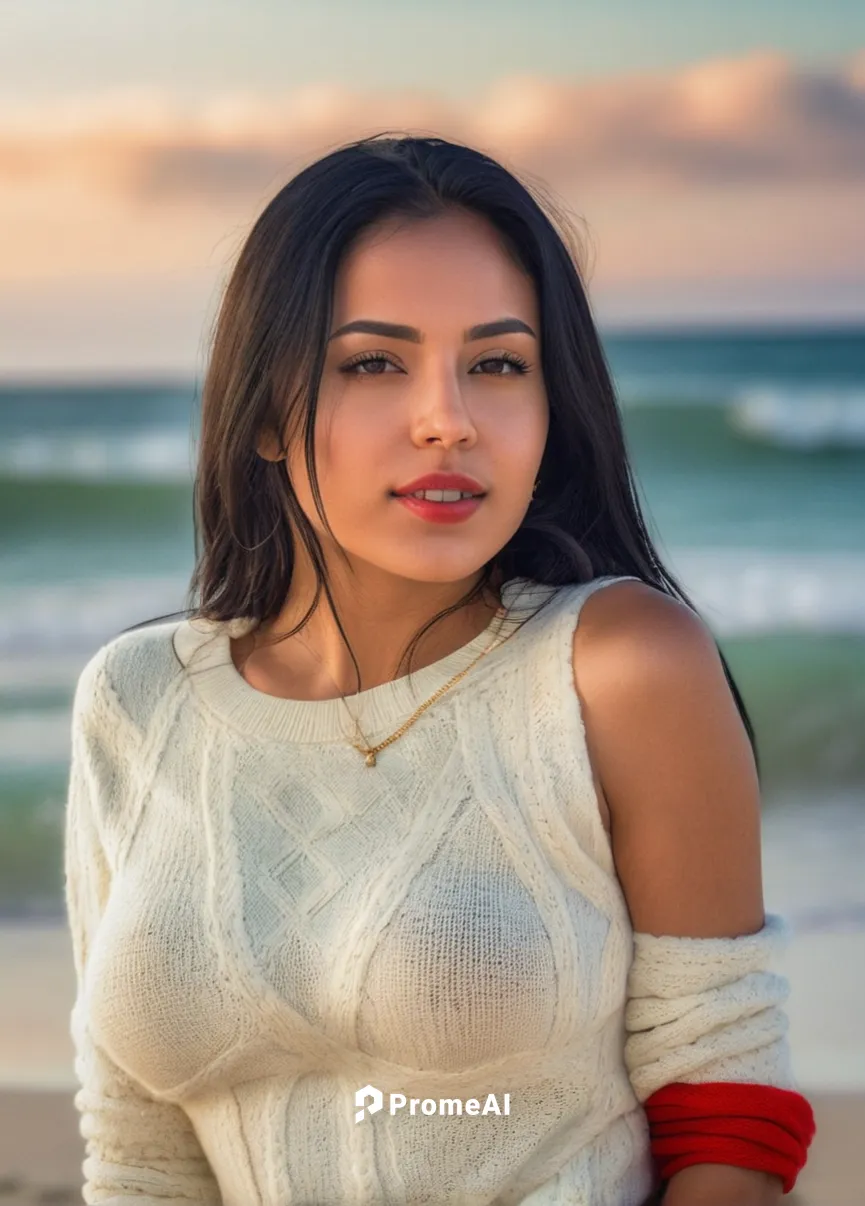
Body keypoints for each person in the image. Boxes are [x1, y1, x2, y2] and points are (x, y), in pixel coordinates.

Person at [64, 132, 815, 1206]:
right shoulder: (136, 702)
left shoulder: (619, 668)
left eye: (498, 364)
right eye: (373, 362)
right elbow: (138, 1155)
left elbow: (727, 1115)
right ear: (268, 412)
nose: (448, 421)